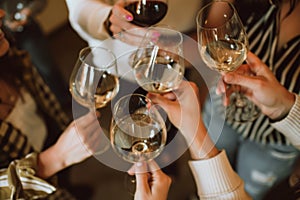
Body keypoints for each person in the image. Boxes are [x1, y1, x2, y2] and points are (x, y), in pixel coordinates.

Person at [200, 0, 300, 199]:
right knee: (209, 178)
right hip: (223, 110)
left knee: (248, 192)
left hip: (273, 143)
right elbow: (211, 39)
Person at [0, 0, 70, 107]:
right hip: (7, 39)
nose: (2, 14)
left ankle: (65, 101)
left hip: (27, 31)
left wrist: (27, 12)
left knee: (47, 69)